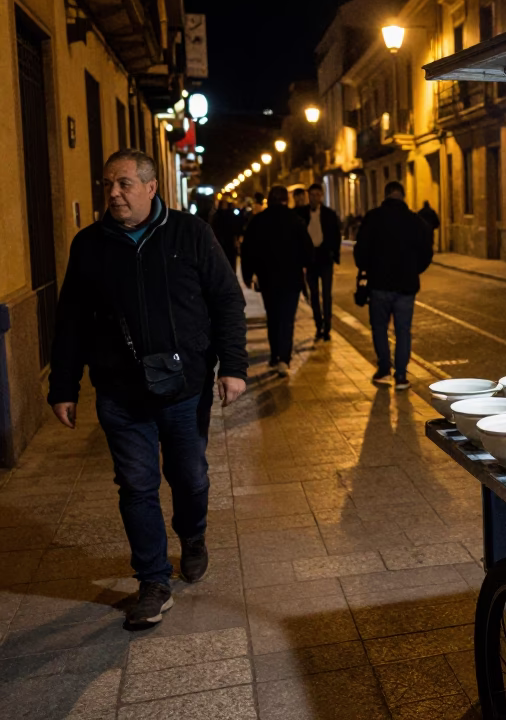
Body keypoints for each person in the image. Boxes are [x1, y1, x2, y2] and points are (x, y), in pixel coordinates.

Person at [47, 148, 247, 630]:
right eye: (108, 185)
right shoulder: (90, 244)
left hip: (184, 387)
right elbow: (71, 319)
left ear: (151, 187)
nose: (113, 193)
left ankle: (193, 536)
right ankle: (153, 581)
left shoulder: (190, 233)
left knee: (190, 477)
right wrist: (63, 384)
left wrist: (233, 366)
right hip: (120, 391)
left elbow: (226, 300)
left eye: (123, 184)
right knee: (136, 485)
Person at [353, 181, 433, 390]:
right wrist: (414, 270)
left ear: (386, 195)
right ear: (403, 196)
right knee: (403, 330)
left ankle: (383, 370)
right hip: (406, 285)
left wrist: (367, 268)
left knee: (379, 328)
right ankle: (401, 376)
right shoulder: (415, 221)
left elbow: (360, 251)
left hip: (379, 284)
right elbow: (426, 253)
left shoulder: (373, 218)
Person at [241, 185, 313, 375]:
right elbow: (307, 249)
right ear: (285, 200)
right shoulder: (295, 220)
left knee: (273, 317)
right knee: (287, 319)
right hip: (291, 278)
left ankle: (275, 355)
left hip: (268, 278)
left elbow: (248, 250)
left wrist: (248, 275)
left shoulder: (259, 221)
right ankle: (284, 359)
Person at [296, 184, 342, 341]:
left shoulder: (329, 214)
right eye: (312, 195)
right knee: (313, 294)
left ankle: (327, 327)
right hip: (311, 260)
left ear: (321, 196)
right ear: (309, 196)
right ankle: (318, 324)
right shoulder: (302, 214)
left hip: (325, 259)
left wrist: (334, 253)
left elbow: (336, 235)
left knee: (327, 294)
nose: (315, 198)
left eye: (317, 195)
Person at [211, 198, 240, 273]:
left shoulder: (216, 216)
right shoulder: (230, 215)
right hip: (229, 243)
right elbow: (235, 228)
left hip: (221, 243)